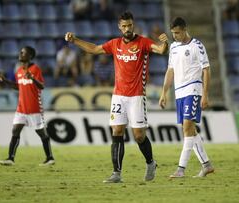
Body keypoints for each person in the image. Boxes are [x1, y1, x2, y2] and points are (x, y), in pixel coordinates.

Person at [65, 11, 168, 183]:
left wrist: (165, 44)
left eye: (130, 25)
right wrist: (75, 40)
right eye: (124, 26)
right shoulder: (115, 44)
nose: (127, 28)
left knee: (139, 136)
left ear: (133, 24)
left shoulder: (143, 42)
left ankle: (151, 163)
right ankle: (116, 173)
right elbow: (95, 49)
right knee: (117, 131)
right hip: (118, 96)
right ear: (119, 27)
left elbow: (160, 50)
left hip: (137, 96)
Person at [159, 17, 214, 178]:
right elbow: (170, 71)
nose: (174, 36)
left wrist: (205, 94)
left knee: (186, 128)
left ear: (184, 30)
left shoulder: (197, 46)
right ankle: (207, 165)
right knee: (190, 129)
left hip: (193, 90)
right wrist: (164, 92)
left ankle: (181, 169)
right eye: (173, 33)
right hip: (179, 93)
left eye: (177, 33)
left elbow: (206, 70)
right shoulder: (174, 47)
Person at [0, 46, 55, 166]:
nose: (20, 53)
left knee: (41, 133)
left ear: (30, 56)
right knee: (15, 130)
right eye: (20, 52)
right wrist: (5, 80)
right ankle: (10, 158)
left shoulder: (35, 69)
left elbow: (42, 86)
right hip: (21, 109)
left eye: (23, 52)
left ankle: (50, 158)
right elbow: (18, 86)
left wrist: (33, 78)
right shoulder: (19, 71)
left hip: (34, 108)